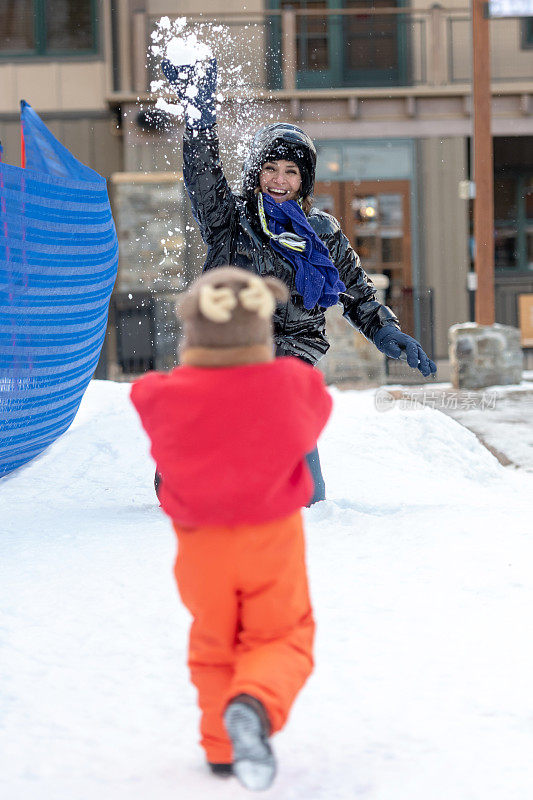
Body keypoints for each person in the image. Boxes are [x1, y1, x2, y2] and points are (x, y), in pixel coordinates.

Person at [161, 58, 436, 503]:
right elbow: (202, 173)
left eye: (291, 171)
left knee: (300, 480)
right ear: (256, 173)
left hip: (291, 351)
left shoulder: (322, 232)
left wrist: (386, 330)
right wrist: (198, 115)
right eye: (271, 169)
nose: (279, 180)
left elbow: (358, 294)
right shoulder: (229, 220)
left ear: (304, 179)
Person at [130, 267, 332, 791]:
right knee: (283, 635)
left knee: (215, 642)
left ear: (192, 332)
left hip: (201, 550)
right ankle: (256, 705)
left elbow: (146, 393)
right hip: (271, 540)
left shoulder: (166, 395)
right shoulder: (289, 385)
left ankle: (221, 750)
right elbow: (315, 403)